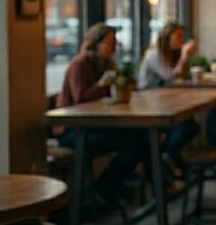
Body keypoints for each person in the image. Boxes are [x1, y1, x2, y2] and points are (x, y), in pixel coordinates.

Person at [53, 23, 149, 209]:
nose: (113, 47)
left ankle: (111, 186)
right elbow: (81, 99)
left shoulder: (104, 64)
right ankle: (107, 188)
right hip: (70, 130)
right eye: (109, 42)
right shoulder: (79, 64)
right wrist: (103, 85)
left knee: (141, 136)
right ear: (95, 43)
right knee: (135, 142)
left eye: (114, 42)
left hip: (91, 124)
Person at [138, 21, 200, 176]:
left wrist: (185, 57)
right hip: (147, 104)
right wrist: (185, 56)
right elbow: (169, 76)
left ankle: (167, 155)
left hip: (164, 102)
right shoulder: (154, 54)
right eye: (178, 36)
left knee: (191, 125)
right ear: (167, 37)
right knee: (186, 126)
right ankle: (166, 157)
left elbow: (182, 76)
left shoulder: (173, 54)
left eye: (182, 36)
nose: (181, 40)